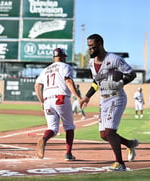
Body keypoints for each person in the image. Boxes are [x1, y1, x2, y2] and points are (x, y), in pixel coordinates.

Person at [80, 34, 139, 171]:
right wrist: (87, 96)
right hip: (104, 99)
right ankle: (130, 144)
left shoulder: (114, 59)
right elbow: (96, 81)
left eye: (92, 47)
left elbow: (132, 74)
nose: (90, 49)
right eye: (88, 47)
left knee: (110, 131)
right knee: (104, 135)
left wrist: (121, 82)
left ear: (100, 44)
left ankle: (120, 164)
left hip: (116, 97)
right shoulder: (91, 63)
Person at [34, 48, 82, 160]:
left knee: (52, 128)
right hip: (60, 98)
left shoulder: (45, 70)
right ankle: (68, 154)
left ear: (53, 58)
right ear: (64, 57)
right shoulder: (66, 67)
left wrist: (41, 101)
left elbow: (37, 86)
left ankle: (44, 139)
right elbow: (68, 81)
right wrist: (77, 96)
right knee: (69, 126)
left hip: (47, 100)